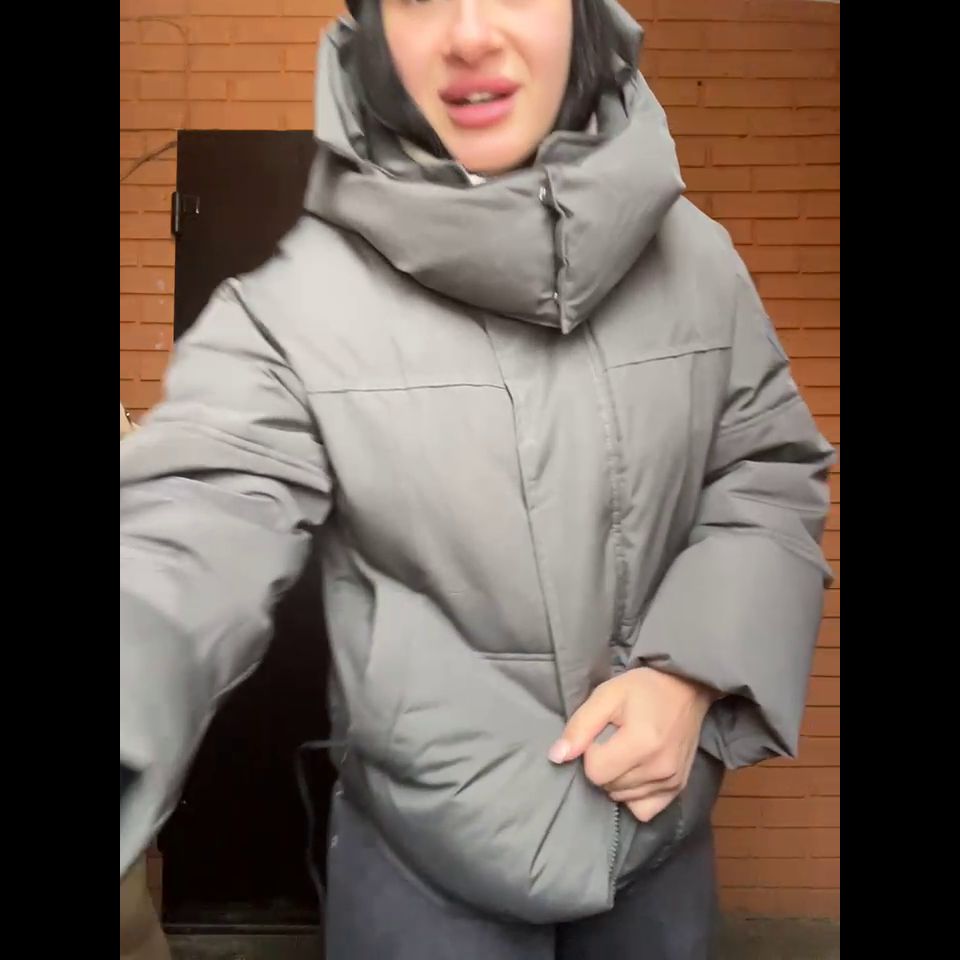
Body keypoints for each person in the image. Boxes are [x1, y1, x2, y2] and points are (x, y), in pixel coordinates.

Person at [119, 1, 834, 958]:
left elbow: (765, 469)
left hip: (659, 856)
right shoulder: (292, 309)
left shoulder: (698, 262)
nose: (467, 32)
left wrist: (693, 670)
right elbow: (183, 533)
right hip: (422, 875)